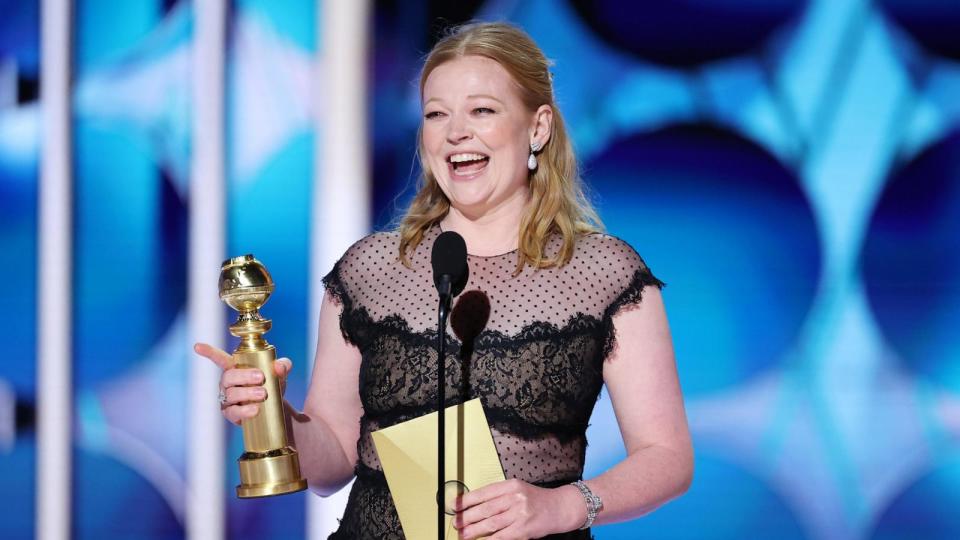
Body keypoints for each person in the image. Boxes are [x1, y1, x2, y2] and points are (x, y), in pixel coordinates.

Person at [197, 21, 692, 540]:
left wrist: (564, 506)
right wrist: (274, 418)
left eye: (482, 110)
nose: (456, 131)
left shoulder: (601, 272)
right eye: (436, 114)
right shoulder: (369, 269)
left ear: (538, 127)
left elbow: (667, 457)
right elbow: (333, 463)